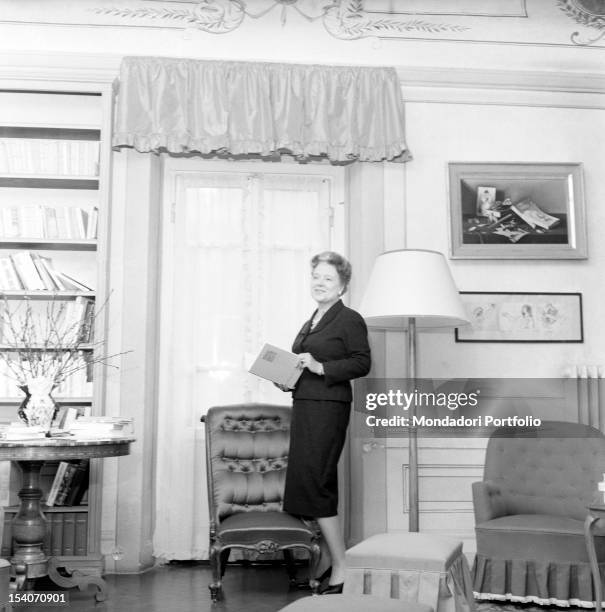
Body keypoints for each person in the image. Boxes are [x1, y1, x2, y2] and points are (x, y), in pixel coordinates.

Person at [280, 251, 371, 595]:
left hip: (328, 408)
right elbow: (302, 362)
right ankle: (328, 560)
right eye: (316, 276)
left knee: (318, 484)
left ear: (343, 285)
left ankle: (342, 566)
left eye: (328, 278)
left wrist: (321, 368)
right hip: (305, 405)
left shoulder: (349, 318)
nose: (319, 283)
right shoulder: (312, 320)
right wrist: (286, 376)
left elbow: (362, 363)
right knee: (307, 483)